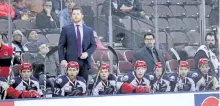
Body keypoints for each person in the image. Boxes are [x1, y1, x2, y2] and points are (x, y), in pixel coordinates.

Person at [58, 7, 97, 82]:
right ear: (71, 16)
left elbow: (94, 45)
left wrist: (87, 53)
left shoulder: (89, 30)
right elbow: (61, 46)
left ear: (82, 15)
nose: (75, 16)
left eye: (77, 14)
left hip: (84, 62)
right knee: (70, 86)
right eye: (74, 14)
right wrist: (62, 59)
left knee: (83, 85)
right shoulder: (66, 29)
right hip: (70, 63)